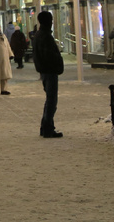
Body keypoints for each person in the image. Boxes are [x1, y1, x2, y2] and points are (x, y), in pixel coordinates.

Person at [32, 10, 65, 138]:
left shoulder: (40, 35)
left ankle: (45, 126)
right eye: (51, 20)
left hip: (45, 70)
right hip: (49, 71)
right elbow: (48, 56)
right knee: (51, 100)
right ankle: (47, 128)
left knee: (50, 100)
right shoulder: (45, 36)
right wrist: (57, 65)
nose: (52, 22)